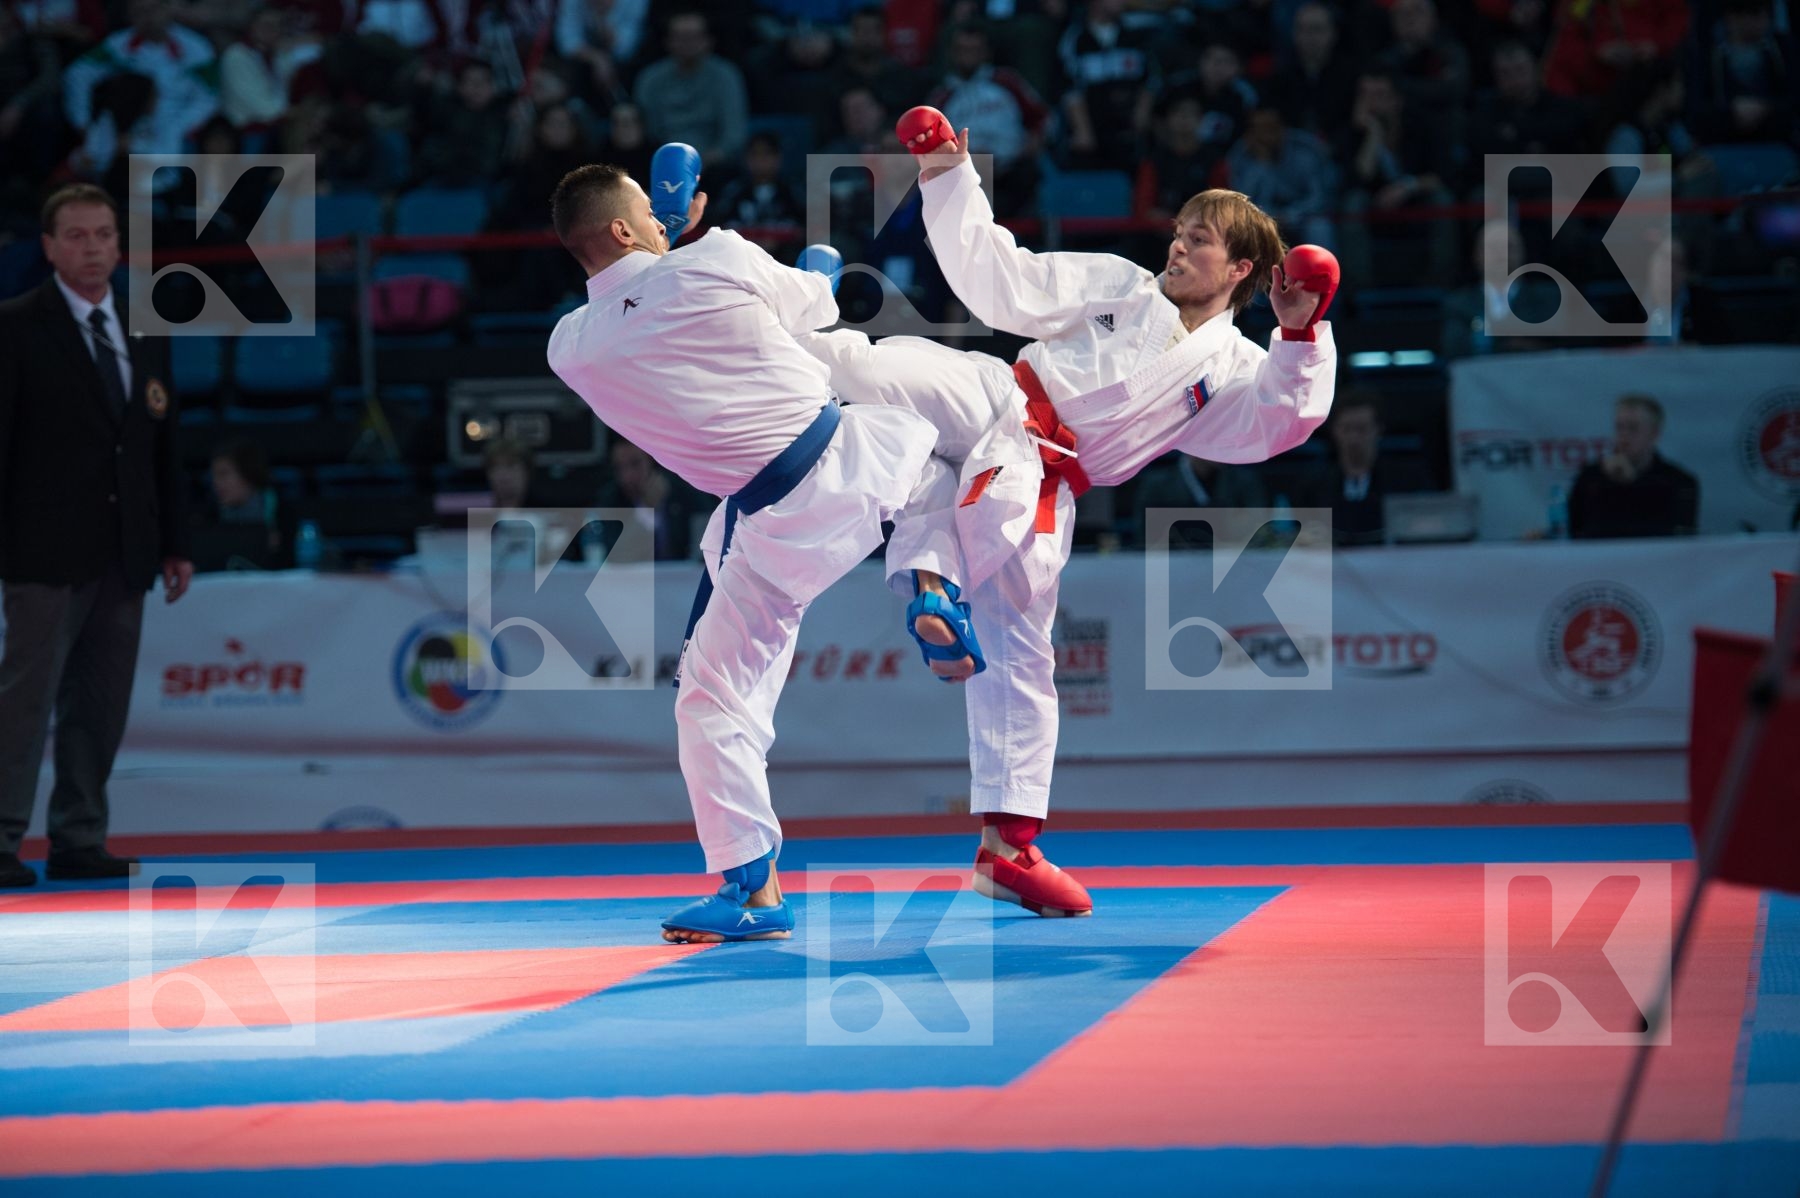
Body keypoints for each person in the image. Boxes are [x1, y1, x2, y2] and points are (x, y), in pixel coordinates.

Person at [799, 118, 1337, 918]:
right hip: (1001, 398)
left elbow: (1280, 424)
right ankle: (734, 342)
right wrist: (948, 172)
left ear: (1243, 269)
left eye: (1199, 241)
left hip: (1056, 483)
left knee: (1021, 658)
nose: (1178, 249)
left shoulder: (1233, 370)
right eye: (1180, 233)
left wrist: (1299, 332)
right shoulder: (1121, 284)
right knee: (867, 364)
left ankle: (1007, 849)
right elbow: (1001, 279)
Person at [545, 160, 937, 943]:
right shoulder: (718, 254)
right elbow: (816, 302)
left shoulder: (570, 347)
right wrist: (803, 261)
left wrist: (660, 239)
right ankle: (934, 579)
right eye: (649, 216)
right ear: (628, 227)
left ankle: (750, 889)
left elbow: (643, 296)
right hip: (847, 457)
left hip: (777, 519)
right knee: (940, 458)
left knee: (710, 698)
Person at [0, 183, 193, 889]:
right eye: (76, 236)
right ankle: (1, 838)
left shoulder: (143, 329)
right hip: (41, 550)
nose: (92, 249)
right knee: (23, 703)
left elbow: (162, 444)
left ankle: (80, 834)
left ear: (120, 245)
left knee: (100, 703)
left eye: (103, 235)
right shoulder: (16, 327)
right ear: (48, 247)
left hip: (125, 550)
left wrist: (175, 540)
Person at [1298, 390, 1433, 546]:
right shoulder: (1313, 486)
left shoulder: (1409, 481)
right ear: (1334, 431)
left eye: (1362, 429)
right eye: (1346, 429)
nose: (1353, 438)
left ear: (1378, 430)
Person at [1567, 394, 1699, 538]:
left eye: (1633, 428)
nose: (1624, 435)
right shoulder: (1591, 477)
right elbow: (1576, 531)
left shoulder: (1680, 482)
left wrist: (1631, 484)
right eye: (1619, 427)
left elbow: (1674, 534)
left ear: (1654, 434)